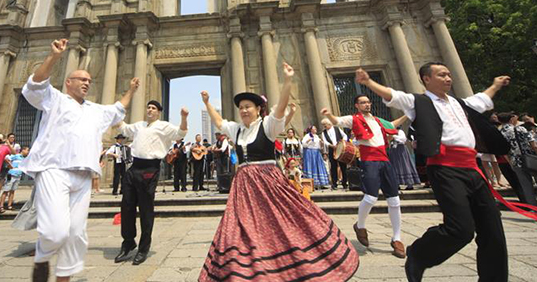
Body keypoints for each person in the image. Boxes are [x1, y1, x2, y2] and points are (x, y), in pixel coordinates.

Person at [198, 63, 359, 281]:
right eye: (241, 107)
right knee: (241, 226)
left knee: (281, 221)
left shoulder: (268, 126)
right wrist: (207, 103)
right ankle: (247, 269)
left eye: (248, 106)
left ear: (257, 109)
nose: (244, 110)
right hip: (243, 186)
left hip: (267, 181)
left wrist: (288, 80)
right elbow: (218, 121)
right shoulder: (237, 130)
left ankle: (290, 263)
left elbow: (281, 107)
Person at [358, 63, 512, 282]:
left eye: (449, 74)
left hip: (473, 169)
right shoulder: (419, 102)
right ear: (426, 79)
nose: (448, 78)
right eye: (442, 75)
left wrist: (495, 85)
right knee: (460, 229)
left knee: (493, 231)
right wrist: (369, 82)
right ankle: (419, 254)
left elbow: (481, 99)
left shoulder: (461, 103)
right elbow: (395, 96)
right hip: (444, 168)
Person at [20, 39, 138, 282]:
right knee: (55, 232)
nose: (86, 82)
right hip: (54, 170)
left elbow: (118, 108)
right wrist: (54, 57)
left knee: (76, 234)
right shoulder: (54, 100)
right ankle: (42, 256)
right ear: (68, 82)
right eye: (81, 79)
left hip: (84, 175)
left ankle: (64, 278)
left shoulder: (95, 110)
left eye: (89, 81)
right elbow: (36, 84)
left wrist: (132, 90)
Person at [323, 95, 407, 258]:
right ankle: (360, 226)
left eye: (368, 102)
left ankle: (396, 238)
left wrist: (407, 115)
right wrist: (328, 115)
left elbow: (393, 125)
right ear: (357, 105)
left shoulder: (378, 120)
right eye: (363, 102)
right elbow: (337, 121)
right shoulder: (353, 119)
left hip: (385, 160)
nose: (367, 104)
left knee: (394, 200)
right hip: (369, 161)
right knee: (370, 197)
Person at [113, 101, 188, 265]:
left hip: (150, 168)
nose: (150, 109)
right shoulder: (139, 125)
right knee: (126, 206)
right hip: (134, 167)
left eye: (153, 108)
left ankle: (143, 248)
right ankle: (128, 242)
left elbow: (180, 132)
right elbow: (124, 128)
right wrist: (115, 111)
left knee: (146, 209)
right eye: (148, 107)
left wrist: (184, 117)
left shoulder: (164, 126)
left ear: (159, 112)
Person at [321, 118, 349, 190]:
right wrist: (331, 145)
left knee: (343, 166)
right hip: (332, 150)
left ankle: (344, 182)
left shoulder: (337, 129)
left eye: (325, 125)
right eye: (323, 125)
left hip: (340, 149)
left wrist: (343, 142)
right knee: (333, 167)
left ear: (329, 124)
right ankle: (334, 183)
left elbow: (345, 136)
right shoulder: (323, 132)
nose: (324, 126)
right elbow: (325, 141)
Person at [0, 146, 29, 212]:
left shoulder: (25, 158)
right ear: (23, 150)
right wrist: (9, 165)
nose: (28, 152)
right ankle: (1, 206)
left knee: (13, 191)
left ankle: (9, 205)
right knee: (6, 190)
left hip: (18, 176)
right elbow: (6, 158)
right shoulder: (16, 156)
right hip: (11, 175)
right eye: (27, 150)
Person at [301, 125, 329, 189]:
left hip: (317, 152)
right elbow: (303, 144)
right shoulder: (307, 136)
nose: (315, 129)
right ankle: (311, 184)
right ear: (311, 130)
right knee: (311, 166)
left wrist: (321, 144)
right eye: (314, 128)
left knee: (318, 166)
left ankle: (320, 183)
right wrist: (308, 141)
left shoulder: (316, 136)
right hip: (309, 152)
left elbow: (320, 146)